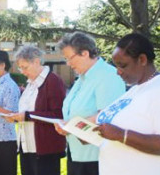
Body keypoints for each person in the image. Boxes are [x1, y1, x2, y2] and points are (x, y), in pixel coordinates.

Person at [94, 33, 160, 175]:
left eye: (123, 65)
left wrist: (122, 135)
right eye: (116, 66)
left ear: (142, 59)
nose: (118, 72)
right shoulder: (135, 90)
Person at [54, 32, 125, 175]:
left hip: (97, 157)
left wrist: (71, 127)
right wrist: (66, 124)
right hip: (77, 154)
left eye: (69, 58)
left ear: (85, 53)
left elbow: (106, 115)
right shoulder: (82, 78)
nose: (68, 63)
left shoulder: (108, 75)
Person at [6, 46, 66, 175]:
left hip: (45, 150)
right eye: (20, 68)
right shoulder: (30, 83)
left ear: (37, 62)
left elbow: (57, 115)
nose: (22, 71)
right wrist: (16, 117)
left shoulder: (53, 81)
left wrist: (26, 116)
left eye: (25, 67)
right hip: (26, 147)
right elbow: (27, 111)